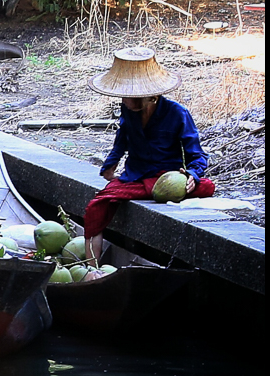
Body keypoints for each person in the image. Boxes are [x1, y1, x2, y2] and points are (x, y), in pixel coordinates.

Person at [80, 47, 217, 260]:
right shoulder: (127, 111)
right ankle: (91, 266)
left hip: (166, 177)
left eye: (130, 97)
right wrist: (111, 164)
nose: (124, 100)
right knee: (96, 206)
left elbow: (197, 154)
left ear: (150, 97)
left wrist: (192, 174)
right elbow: (121, 141)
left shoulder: (177, 113)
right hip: (136, 177)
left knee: (207, 186)